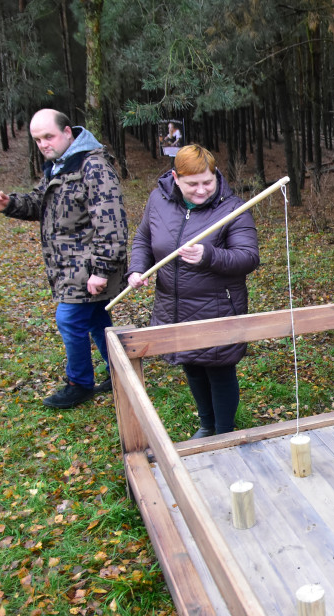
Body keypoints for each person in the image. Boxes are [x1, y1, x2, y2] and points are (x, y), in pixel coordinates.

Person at [0, 108, 128, 409]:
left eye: (48, 136)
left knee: (69, 319)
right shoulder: (60, 166)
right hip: (67, 266)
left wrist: (101, 271)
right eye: (37, 140)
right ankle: (123, 371)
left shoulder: (94, 167)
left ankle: (79, 383)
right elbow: (39, 203)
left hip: (87, 267)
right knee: (97, 319)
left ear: (67, 133)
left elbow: (112, 224)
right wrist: (8, 203)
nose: (44, 144)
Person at [128, 144, 259, 438]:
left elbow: (249, 257)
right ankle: (206, 424)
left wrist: (208, 255)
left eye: (207, 182)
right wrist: (137, 269)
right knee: (192, 364)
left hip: (217, 306)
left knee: (218, 367)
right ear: (175, 178)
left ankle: (223, 432)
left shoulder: (232, 208)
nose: (201, 190)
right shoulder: (158, 200)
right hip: (172, 304)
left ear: (216, 176)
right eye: (192, 184)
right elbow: (143, 238)